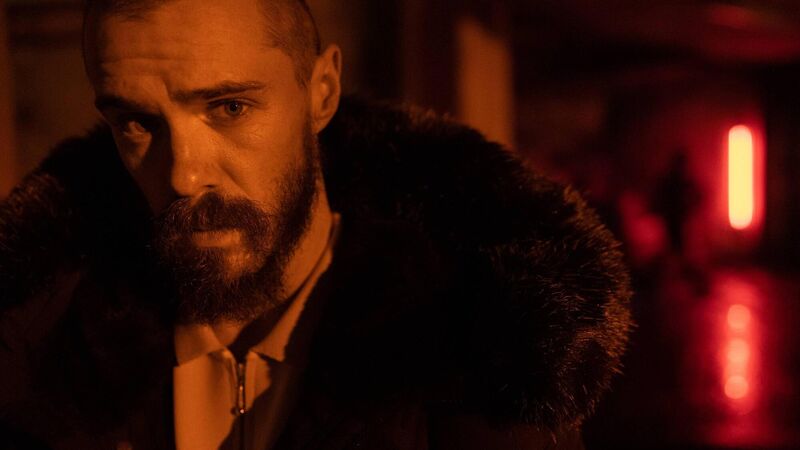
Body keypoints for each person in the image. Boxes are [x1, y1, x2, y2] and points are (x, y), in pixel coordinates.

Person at [0, 0, 632, 448]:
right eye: (137, 123)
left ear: (322, 91)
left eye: (229, 107)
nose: (185, 176)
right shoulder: (38, 351)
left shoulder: (486, 359)